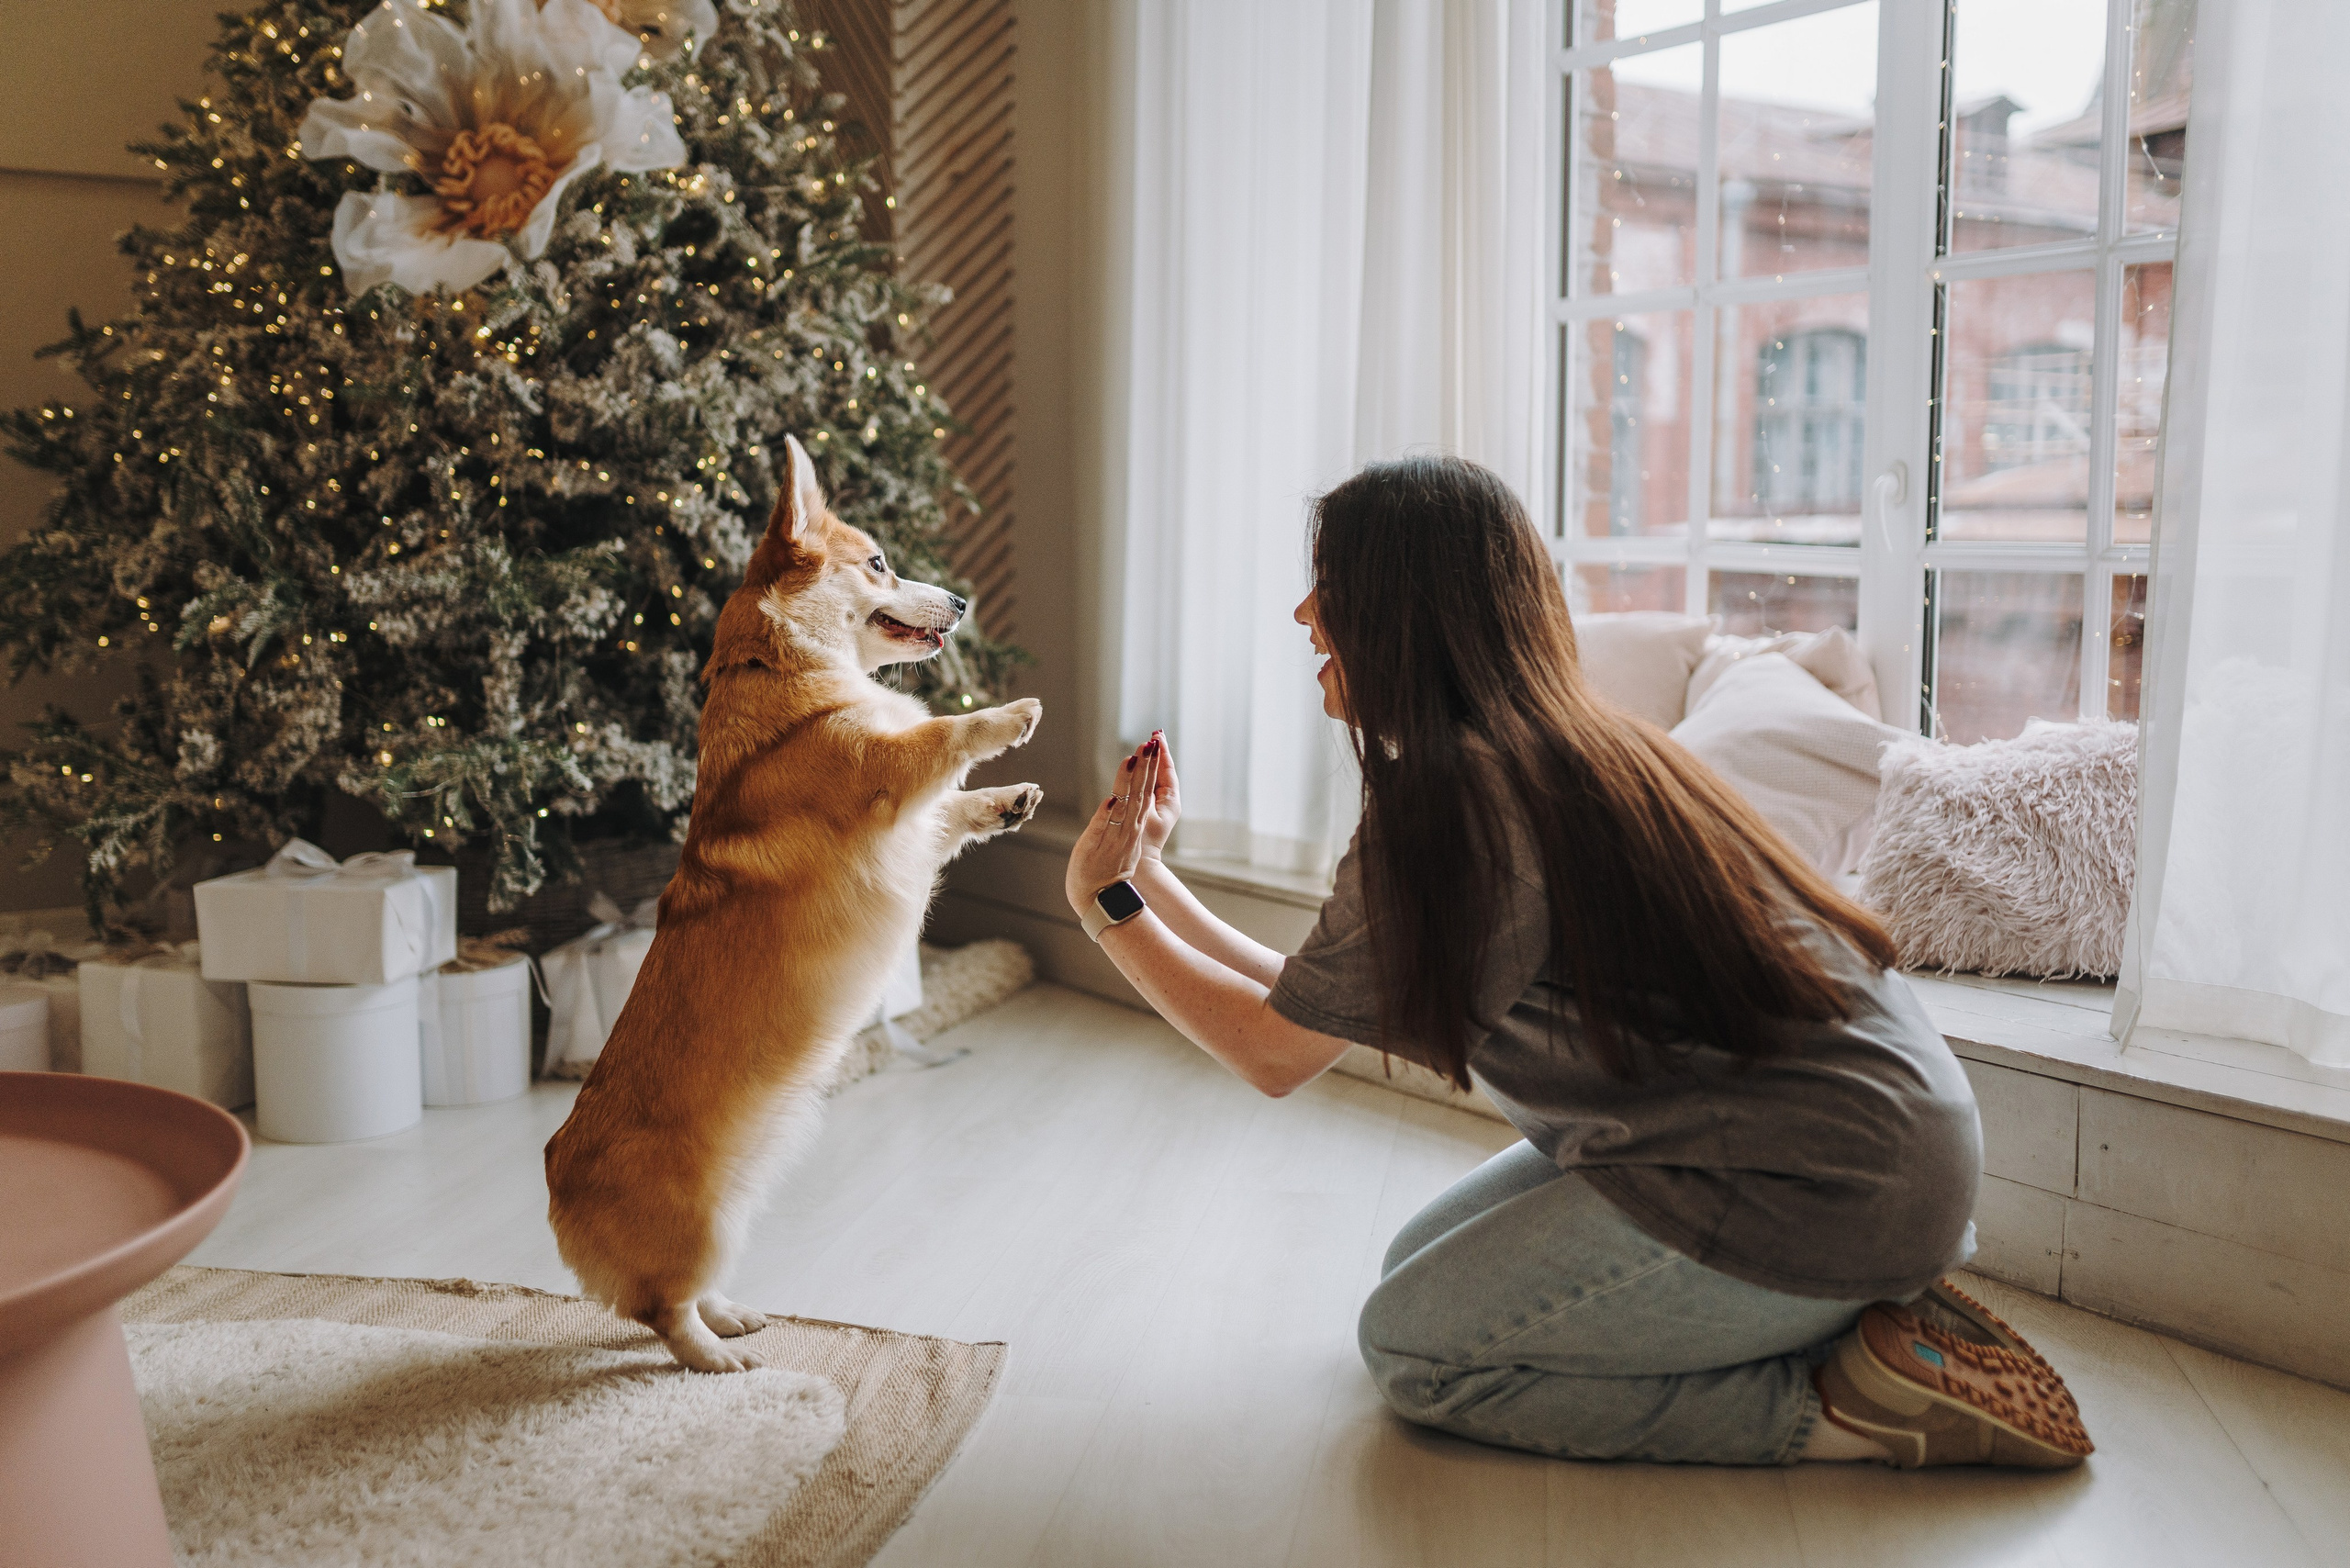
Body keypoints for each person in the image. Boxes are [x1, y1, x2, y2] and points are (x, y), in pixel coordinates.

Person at [1060, 455, 2091, 1469]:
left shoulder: (1458, 800)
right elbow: (1308, 1005)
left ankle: (1846, 1405)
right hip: (1858, 1142)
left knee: (1417, 1351)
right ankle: (1849, 1314)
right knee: (1411, 1272)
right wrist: (1143, 876)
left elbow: (1270, 1052)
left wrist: (1100, 907)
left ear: (1399, 611)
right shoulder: (1551, 747)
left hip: (1828, 1177)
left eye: (1327, 589)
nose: (1302, 617)